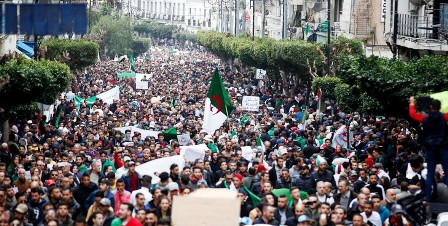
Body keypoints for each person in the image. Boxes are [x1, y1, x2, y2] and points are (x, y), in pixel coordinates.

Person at [409, 96, 448, 202]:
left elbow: (413, 115)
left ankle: (428, 198)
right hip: (443, 147)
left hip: (431, 148)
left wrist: (412, 103)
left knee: (430, 174)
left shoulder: (424, 118)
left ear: (430, 107)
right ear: (440, 107)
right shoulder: (444, 117)